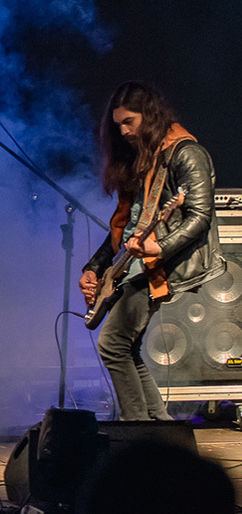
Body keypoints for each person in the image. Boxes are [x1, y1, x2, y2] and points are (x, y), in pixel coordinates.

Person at [79, 82, 225, 421]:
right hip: (133, 265)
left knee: (112, 345)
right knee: (126, 349)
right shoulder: (143, 157)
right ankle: (159, 426)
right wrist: (94, 268)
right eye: (117, 125)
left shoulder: (186, 153)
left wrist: (158, 246)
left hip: (159, 265)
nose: (123, 131)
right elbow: (127, 228)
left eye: (129, 122)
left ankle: (136, 427)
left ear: (150, 115)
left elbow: (200, 216)